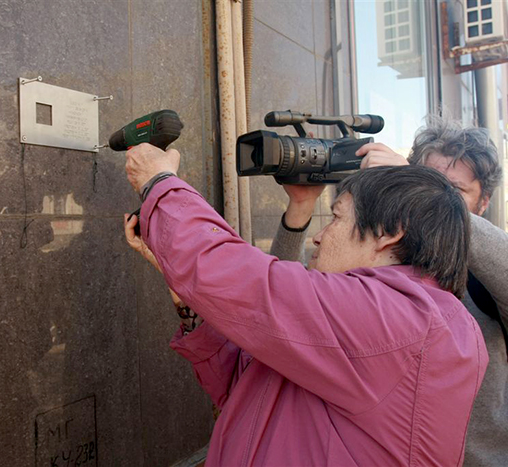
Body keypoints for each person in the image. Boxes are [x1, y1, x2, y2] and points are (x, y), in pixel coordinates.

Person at [122, 143, 488, 466]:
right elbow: (248, 386)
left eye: (337, 219)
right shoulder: (394, 319)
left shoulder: (404, 319)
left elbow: (244, 281)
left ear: (389, 234)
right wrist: (189, 295)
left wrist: (160, 183)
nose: (318, 235)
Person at [294, 115, 508, 467]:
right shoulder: (381, 251)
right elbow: (290, 299)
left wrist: (433, 200)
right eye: (426, 183)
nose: (436, 196)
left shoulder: (494, 270)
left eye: (454, 191)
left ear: (484, 202)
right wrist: (300, 208)